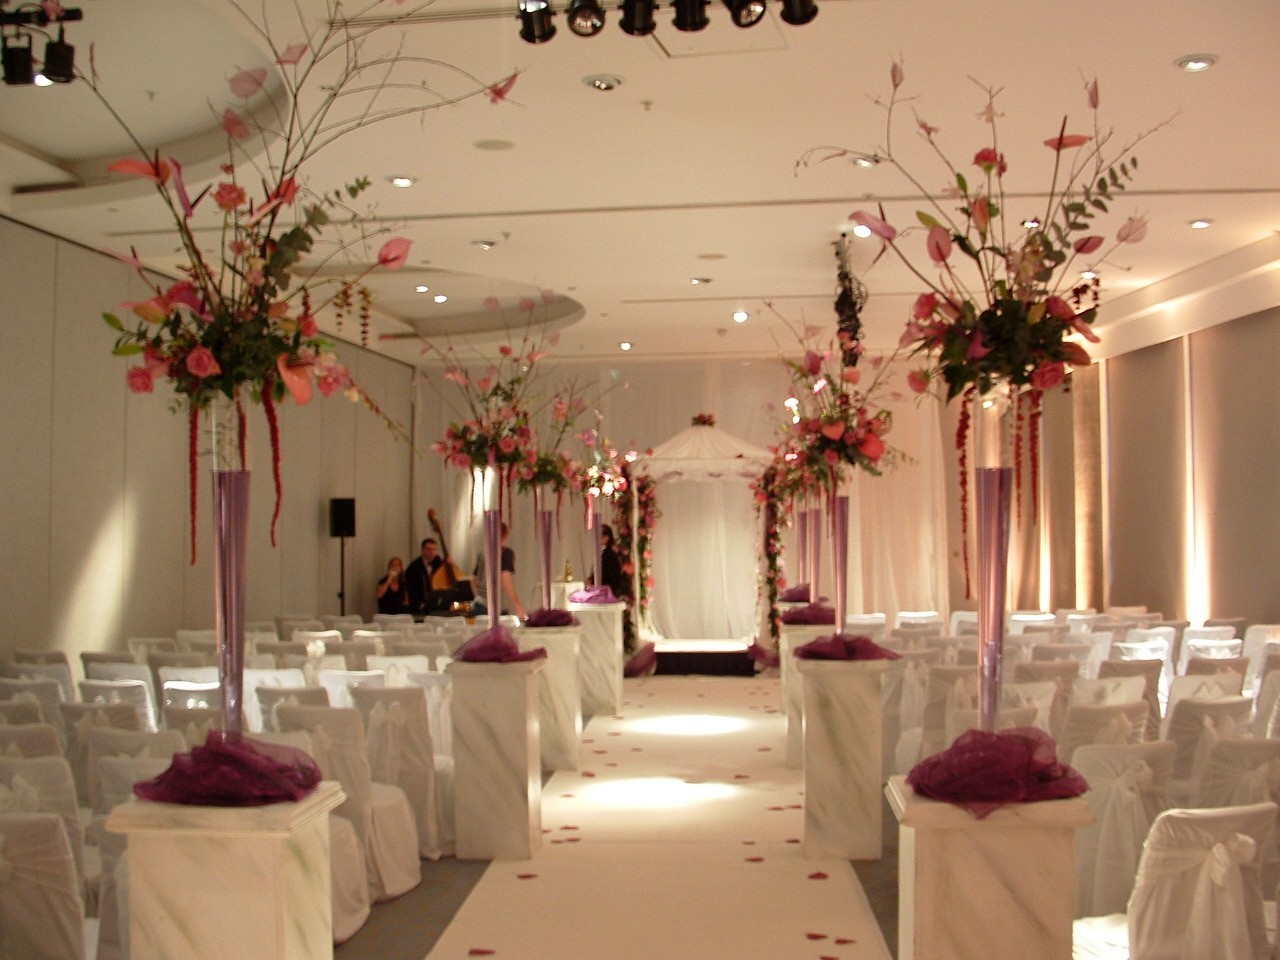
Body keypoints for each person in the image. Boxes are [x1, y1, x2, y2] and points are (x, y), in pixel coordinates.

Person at [473, 522, 528, 620]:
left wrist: (478, 597)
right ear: (505, 535)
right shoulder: (505, 553)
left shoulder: (482, 553)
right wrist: (518, 606)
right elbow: (505, 579)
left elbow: (473, 580)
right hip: (498, 607)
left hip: (479, 606)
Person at [405, 538, 443, 615]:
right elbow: (411, 591)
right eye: (429, 549)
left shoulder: (438, 562)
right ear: (422, 550)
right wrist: (421, 605)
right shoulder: (413, 568)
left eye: (434, 550)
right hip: (420, 608)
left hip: (436, 605)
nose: (431, 553)